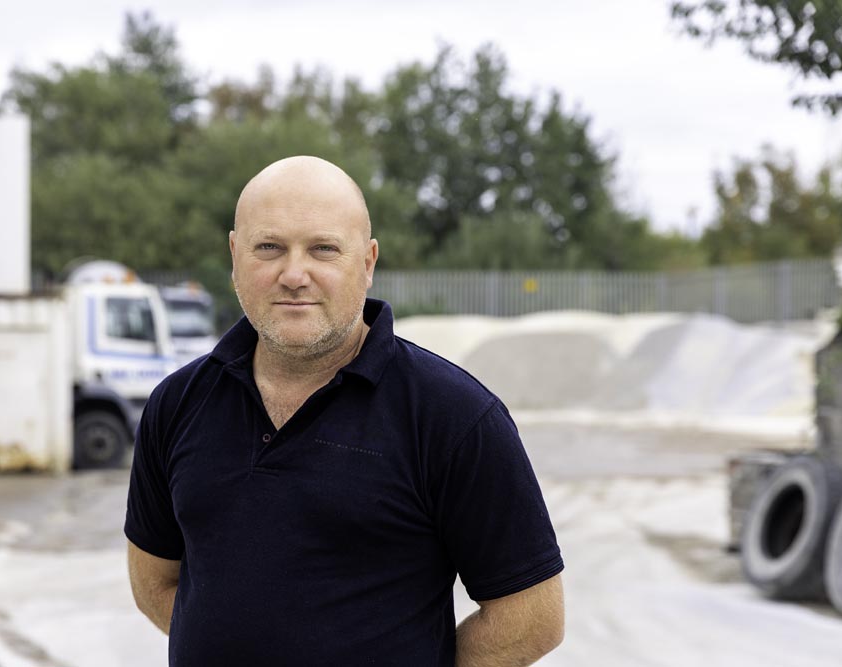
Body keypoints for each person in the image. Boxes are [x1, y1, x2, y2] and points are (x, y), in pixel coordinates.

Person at [125, 156, 565, 666]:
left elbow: (532, 618)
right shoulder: (177, 403)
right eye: (269, 247)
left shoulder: (455, 417)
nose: (294, 275)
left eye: (323, 249)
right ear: (234, 256)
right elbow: (154, 582)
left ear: (368, 262)